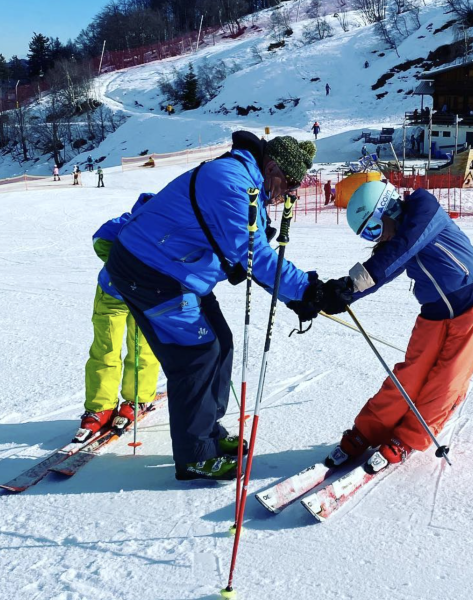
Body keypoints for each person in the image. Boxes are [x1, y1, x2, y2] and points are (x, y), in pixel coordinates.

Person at [105, 131, 321, 481]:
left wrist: (295, 295)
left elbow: (249, 257)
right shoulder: (230, 184)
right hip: (150, 271)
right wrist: (305, 290)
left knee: (220, 342)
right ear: (271, 166)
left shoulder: (248, 181)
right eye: (290, 182)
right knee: (197, 355)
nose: (291, 191)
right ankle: (194, 456)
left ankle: (207, 432)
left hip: (180, 270)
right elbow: (253, 254)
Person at [297, 181, 473, 472]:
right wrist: (337, 294)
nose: (375, 238)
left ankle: (409, 438)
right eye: (367, 234)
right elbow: (386, 264)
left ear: (389, 209)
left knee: (446, 380)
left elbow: (398, 251)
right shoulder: (401, 238)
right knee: (410, 375)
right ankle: (367, 430)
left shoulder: (424, 209)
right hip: (435, 312)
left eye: (374, 229)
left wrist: (349, 287)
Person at [79, 193, 162, 441]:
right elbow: (100, 239)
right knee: (105, 349)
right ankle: (99, 407)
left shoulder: (170, 231)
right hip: (112, 294)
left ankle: (137, 399)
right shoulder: (125, 224)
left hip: (144, 299)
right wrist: (122, 265)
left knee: (142, 349)